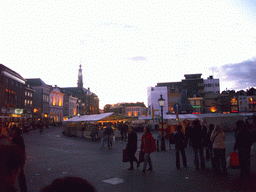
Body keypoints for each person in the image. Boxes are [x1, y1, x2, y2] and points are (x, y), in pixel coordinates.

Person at [11, 126, 27, 192]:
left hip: (17, 160)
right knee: (19, 176)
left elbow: (21, 150)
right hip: (16, 160)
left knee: (19, 176)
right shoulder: (14, 139)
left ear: (16, 132)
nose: (11, 132)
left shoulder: (18, 139)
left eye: (13, 131)